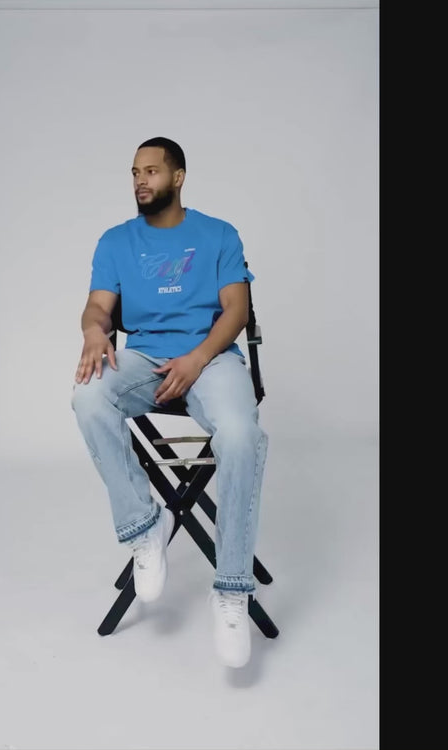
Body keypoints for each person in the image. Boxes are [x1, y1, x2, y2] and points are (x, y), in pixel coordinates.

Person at [71, 137, 268, 668]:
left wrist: (198, 359)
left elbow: (236, 309)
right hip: (144, 358)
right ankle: (144, 526)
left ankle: (231, 589)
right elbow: (98, 307)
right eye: (135, 171)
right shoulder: (116, 241)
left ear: (178, 177)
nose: (141, 180)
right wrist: (94, 331)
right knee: (88, 396)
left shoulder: (219, 234)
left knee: (242, 436)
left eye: (152, 171)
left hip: (212, 359)